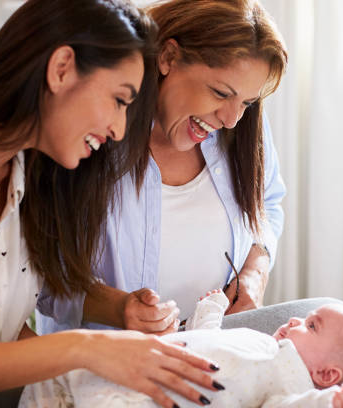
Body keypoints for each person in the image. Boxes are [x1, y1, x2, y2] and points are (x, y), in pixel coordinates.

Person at [0, 1, 223, 407]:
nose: (120, 130)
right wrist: (84, 348)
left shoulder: (33, 177)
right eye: (120, 100)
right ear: (62, 68)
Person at [37, 0, 288, 337]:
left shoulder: (241, 128)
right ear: (168, 58)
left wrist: (255, 272)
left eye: (247, 102)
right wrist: (117, 307)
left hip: (212, 357)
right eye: (219, 92)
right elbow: (41, 275)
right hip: (103, 370)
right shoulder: (92, 134)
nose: (230, 119)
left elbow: (268, 203)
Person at [21, 291, 343, 407]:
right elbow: (210, 340)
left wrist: (327, 402)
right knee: (54, 381)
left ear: (327, 375)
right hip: (126, 363)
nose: (296, 321)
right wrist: (211, 311)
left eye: (311, 326)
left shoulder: (291, 383)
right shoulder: (264, 342)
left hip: (144, 397)